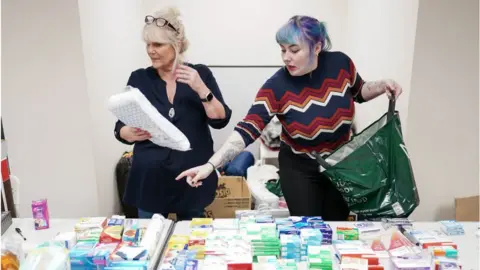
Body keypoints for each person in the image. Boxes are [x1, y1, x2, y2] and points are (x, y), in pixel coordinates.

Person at [176, 15, 402, 221]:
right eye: (282, 50)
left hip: (340, 164)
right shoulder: (277, 86)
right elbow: (247, 129)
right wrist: (210, 166)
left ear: (317, 47)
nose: (286, 57)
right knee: (308, 229)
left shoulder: (341, 64)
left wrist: (383, 85)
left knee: (336, 226)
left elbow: (359, 91)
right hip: (300, 169)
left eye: (294, 50)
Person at [114, 7, 232, 220]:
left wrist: (201, 89)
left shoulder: (200, 74)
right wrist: (126, 132)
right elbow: (120, 126)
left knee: (192, 243)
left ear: (176, 45)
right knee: (150, 241)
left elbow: (220, 120)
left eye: (158, 44)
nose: (151, 50)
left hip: (191, 177)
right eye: (148, 45)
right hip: (150, 180)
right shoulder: (139, 79)